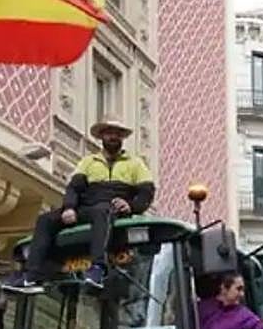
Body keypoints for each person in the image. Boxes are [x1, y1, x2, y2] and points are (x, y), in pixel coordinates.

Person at [9, 118, 155, 293]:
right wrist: (70, 207)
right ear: (102, 136)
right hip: (85, 208)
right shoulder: (88, 162)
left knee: (103, 211)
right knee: (45, 219)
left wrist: (131, 205)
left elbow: (146, 192)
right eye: (109, 132)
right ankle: (31, 275)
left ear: (122, 137)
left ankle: (97, 268)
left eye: (117, 133)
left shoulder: (135, 164)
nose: (113, 136)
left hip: (111, 209)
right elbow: (74, 188)